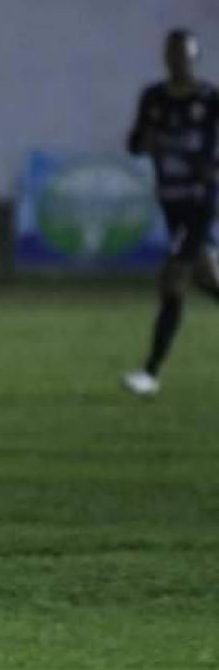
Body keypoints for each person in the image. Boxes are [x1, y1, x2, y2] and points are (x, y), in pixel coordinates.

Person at [123, 29, 219, 396]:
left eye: (185, 55)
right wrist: (143, 142)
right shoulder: (154, 98)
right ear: (166, 58)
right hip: (171, 202)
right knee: (206, 278)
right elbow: (134, 143)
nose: (179, 61)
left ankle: (150, 373)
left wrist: (214, 168)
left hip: (200, 201)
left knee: (173, 278)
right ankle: (150, 374)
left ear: (194, 58)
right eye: (173, 55)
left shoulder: (209, 98)